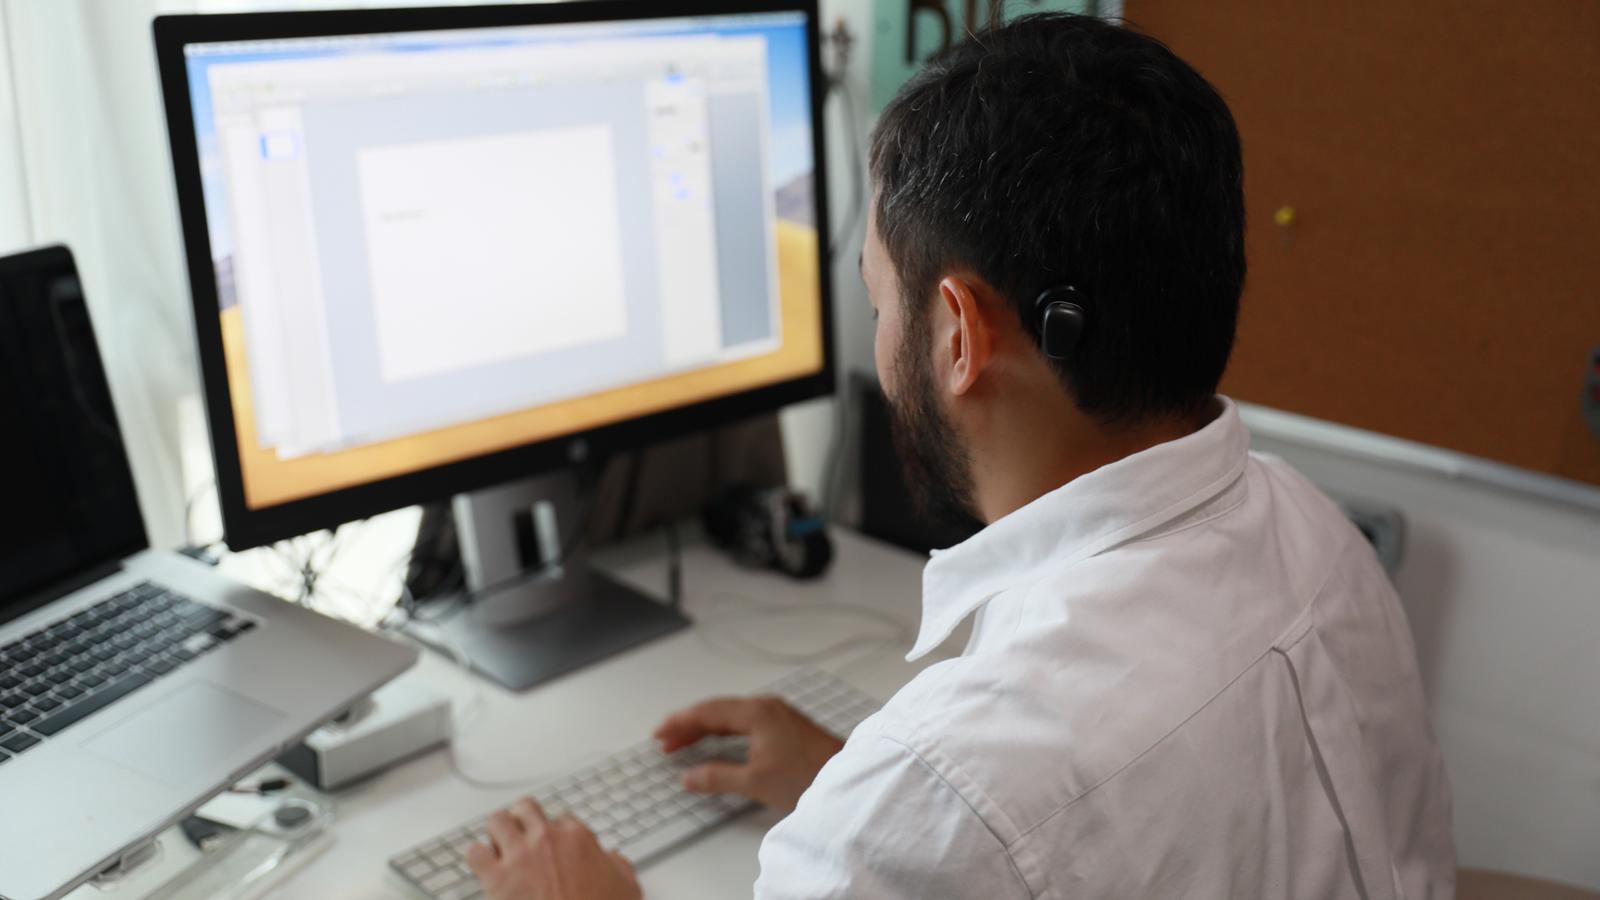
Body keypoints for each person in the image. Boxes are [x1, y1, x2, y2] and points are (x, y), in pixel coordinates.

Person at [464, 13, 1456, 899]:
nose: (875, 325)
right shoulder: (1318, 537)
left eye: (877, 296)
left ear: (956, 336)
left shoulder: (940, 797)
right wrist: (868, 788)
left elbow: (999, 811)